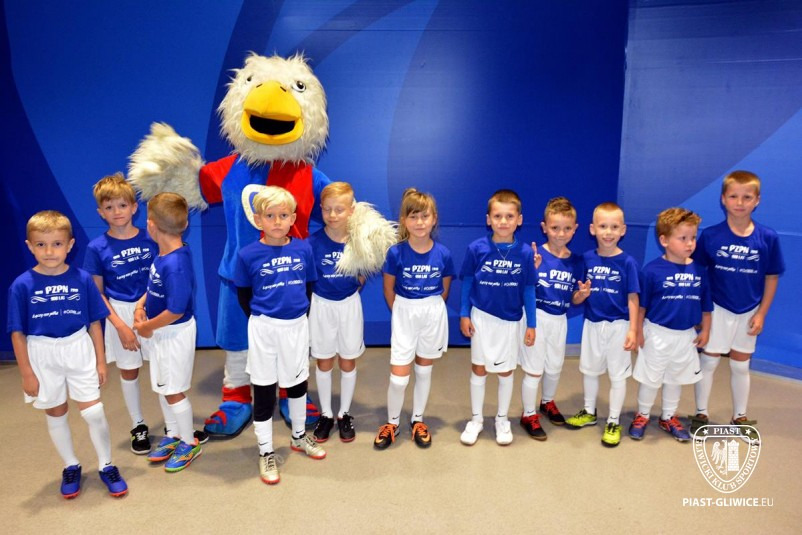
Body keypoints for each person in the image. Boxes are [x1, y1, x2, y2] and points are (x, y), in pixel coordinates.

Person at [8, 210, 128, 498]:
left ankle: (106, 464)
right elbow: (17, 332)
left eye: (57, 244)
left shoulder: (82, 279)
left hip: (78, 348)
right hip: (42, 352)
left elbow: (95, 323)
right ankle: (71, 465)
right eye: (41, 244)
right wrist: (26, 373)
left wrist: (101, 361)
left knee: (94, 411)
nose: (49, 251)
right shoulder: (21, 285)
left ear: (70, 245)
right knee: (56, 410)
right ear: (29, 246)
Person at [234, 186, 325, 485]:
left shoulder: (303, 249)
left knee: (297, 384)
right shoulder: (247, 255)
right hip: (264, 328)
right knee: (264, 389)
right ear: (258, 220)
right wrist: (266, 319)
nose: (277, 221)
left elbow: (308, 287)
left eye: (283, 215)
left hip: (296, 327)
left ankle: (298, 436)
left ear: (292, 219)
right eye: (270, 216)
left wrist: (295, 316)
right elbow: (244, 295)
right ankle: (265, 451)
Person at [690, 170, 784, 438]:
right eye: (733, 196)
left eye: (747, 197)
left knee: (741, 364)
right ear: (723, 199)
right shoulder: (710, 236)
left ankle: (739, 416)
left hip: (749, 310)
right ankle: (701, 413)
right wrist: (700, 311)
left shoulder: (767, 237)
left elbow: (772, 277)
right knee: (709, 362)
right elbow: (697, 274)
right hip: (717, 308)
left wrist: (761, 313)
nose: (740, 202)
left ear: (757, 200)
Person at [374, 188, 454, 450]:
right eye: (413, 216)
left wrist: (430, 309)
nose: (419, 222)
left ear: (434, 219)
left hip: (432, 312)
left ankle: (418, 420)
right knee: (399, 377)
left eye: (425, 216)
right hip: (404, 312)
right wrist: (401, 312)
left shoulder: (443, 253)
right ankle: (392, 423)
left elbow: (444, 288)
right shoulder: (395, 253)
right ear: (404, 220)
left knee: (424, 369)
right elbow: (389, 288)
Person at [84, 173, 157, 454]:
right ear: (100, 212)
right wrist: (120, 326)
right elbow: (97, 293)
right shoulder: (96, 248)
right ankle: (138, 424)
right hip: (119, 312)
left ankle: (175, 426)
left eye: (122, 205)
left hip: (152, 308)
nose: (117, 212)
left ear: (134, 207)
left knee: (163, 367)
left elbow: (162, 276)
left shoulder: (152, 238)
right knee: (129, 370)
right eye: (109, 207)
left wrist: (144, 305)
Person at [458, 189, 536, 446]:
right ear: (488, 219)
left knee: (505, 370)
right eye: (498, 216)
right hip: (481, 317)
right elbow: (467, 281)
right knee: (479, 368)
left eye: (509, 216)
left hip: (510, 320)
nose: (503, 221)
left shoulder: (525, 253)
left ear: (519, 220)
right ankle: (476, 419)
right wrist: (464, 313)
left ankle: (502, 419)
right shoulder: (476, 248)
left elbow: (529, 289)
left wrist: (532, 324)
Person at [629, 208, 712, 443]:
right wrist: (637, 331)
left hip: (685, 336)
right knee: (651, 378)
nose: (690, 243)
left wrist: (706, 330)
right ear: (664, 240)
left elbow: (706, 306)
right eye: (683, 238)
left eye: (693, 237)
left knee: (676, 378)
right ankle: (643, 415)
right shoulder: (651, 271)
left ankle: (668, 416)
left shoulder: (700, 271)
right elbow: (642, 306)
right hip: (656, 333)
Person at [134, 193, 201, 472]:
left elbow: (175, 309)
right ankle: (173, 434)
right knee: (163, 386)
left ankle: (189, 441)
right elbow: (154, 288)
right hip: (161, 331)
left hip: (173, 334)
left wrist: (146, 327)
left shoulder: (175, 264)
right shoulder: (164, 254)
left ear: (151, 225)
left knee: (173, 391)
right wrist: (141, 305)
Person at [565, 202, 639, 448]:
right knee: (590, 370)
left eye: (614, 227)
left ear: (623, 230)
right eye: (603, 226)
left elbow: (633, 297)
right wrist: (581, 295)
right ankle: (589, 411)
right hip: (593, 324)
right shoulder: (586, 259)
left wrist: (633, 330)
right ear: (592, 229)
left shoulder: (628, 262)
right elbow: (575, 298)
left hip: (619, 326)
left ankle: (614, 421)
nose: (608, 232)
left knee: (618, 376)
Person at [519, 197, 588, 440]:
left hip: (560, 320)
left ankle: (547, 402)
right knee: (534, 369)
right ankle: (528, 414)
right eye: (555, 227)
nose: (561, 233)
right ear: (544, 227)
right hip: (536, 318)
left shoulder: (577, 261)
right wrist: (533, 271)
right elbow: (522, 288)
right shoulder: (534, 255)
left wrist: (581, 295)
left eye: (567, 228)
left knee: (554, 366)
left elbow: (574, 298)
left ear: (575, 228)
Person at [309, 182, 366, 443]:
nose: (333, 215)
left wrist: (354, 284)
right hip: (321, 306)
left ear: (352, 210)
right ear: (320, 209)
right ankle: (326, 414)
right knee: (324, 360)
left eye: (339, 209)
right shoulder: (312, 243)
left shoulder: (359, 242)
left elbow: (364, 271)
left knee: (347, 360)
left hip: (349, 306)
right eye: (327, 209)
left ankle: (344, 413)